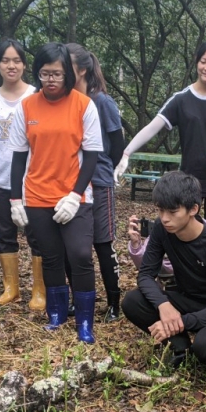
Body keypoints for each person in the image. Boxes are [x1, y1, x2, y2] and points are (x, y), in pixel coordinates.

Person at [7, 42, 102, 344]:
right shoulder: (27, 106)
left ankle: (85, 322)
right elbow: (19, 156)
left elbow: (93, 155)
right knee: (50, 257)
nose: (50, 80)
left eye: (57, 74)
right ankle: (56, 314)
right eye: (45, 74)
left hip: (74, 195)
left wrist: (75, 195)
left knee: (79, 255)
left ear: (68, 76)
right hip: (37, 195)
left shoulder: (83, 105)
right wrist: (15, 199)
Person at [121, 171, 206, 378]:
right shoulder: (162, 229)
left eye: (172, 211)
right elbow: (145, 276)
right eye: (160, 211)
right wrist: (164, 305)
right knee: (132, 301)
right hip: (189, 299)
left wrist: (179, 323)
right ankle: (180, 348)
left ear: (193, 209)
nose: (165, 218)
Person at [113, 41, 206, 222]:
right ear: (196, 61)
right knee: (188, 237)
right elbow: (152, 127)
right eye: (203, 61)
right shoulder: (182, 99)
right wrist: (126, 153)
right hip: (190, 182)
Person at [0, 39, 41, 310]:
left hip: (34, 179)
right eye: (5, 60)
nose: (11, 65)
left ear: (24, 64)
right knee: (4, 233)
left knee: (38, 235)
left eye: (16, 60)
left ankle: (39, 290)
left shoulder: (37, 96)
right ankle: (11, 288)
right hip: (0, 179)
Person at [66, 43, 125, 321]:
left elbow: (117, 143)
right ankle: (79, 300)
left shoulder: (102, 101)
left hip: (99, 182)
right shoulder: (64, 101)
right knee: (74, 247)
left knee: (103, 244)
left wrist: (106, 168)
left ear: (82, 70)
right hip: (69, 184)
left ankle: (114, 303)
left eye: (66, 66)